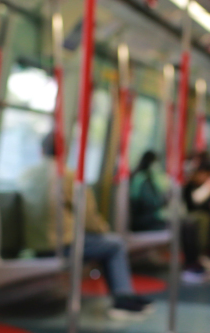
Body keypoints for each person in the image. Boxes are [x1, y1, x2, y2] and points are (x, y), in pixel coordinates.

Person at [19, 132, 152, 319]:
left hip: (35, 243)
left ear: (41, 151)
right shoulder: (69, 176)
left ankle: (125, 295)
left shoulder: (26, 175)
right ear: (63, 151)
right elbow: (88, 217)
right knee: (114, 245)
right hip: (61, 245)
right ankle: (122, 299)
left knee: (106, 244)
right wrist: (105, 231)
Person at [128, 151, 208, 283]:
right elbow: (152, 203)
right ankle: (190, 265)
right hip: (144, 221)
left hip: (151, 218)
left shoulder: (149, 178)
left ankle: (194, 262)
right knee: (185, 224)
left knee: (188, 222)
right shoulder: (142, 179)